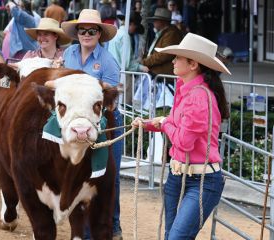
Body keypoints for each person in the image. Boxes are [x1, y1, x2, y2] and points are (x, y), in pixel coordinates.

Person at [132, 33, 231, 239]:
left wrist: (165, 122)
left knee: (176, 237)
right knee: (173, 236)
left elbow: (184, 141)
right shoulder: (187, 89)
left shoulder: (198, 96)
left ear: (193, 64)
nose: (173, 61)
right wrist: (149, 124)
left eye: (177, 57)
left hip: (201, 180)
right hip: (180, 175)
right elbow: (176, 125)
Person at [61, 9, 123, 240]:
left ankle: (113, 225)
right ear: (76, 33)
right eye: (82, 30)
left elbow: (109, 99)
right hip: (75, 123)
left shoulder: (108, 61)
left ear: (99, 34)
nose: (86, 34)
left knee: (108, 177)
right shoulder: (68, 55)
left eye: (92, 30)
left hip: (105, 125)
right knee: (75, 176)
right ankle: (81, 231)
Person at [143, 8, 183, 76]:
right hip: (158, 74)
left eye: (155, 20)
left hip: (163, 76)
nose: (153, 22)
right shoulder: (164, 33)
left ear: (162, 21)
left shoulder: (171, 34)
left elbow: (164, 54)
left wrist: (144, 62)